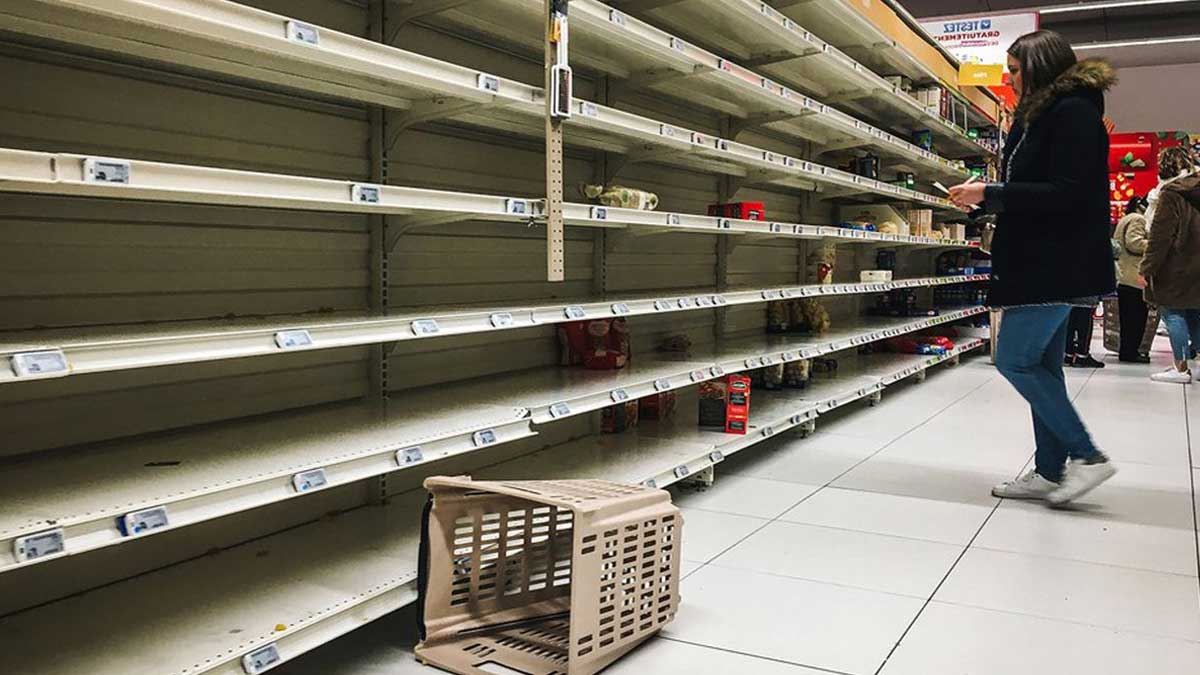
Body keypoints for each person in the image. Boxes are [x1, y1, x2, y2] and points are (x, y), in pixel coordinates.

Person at [949, 30, 1117, 505]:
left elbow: (1068, 193)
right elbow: (1035, 190)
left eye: (1016, 69)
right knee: (1044, 365)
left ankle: (1088, 457)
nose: (1008, 77)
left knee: (1014, 359)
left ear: (1041, 68)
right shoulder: (1039, 116)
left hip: (1055, 260)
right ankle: (1049, 471)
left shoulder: (1074, 114)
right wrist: (984, 203)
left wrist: (992, 194)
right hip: (1039, 255)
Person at [1141, 145, 1200, 383]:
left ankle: (1181, 367)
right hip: (1197, 266)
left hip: (1174, 267)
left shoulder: (1169, 194)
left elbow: (1160, 237)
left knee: (1172, 313)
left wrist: (1146, 268)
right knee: (1195, 314)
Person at [1114, 196, 1152, 363]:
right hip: (1133, 276)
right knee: (1136, 319)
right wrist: (1155, 244)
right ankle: (1130, 352)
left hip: (1124, 276)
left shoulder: (1126, 218)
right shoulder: (1138, 219)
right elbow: (1134, 243)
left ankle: (1127, 351)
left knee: (1128, 319)